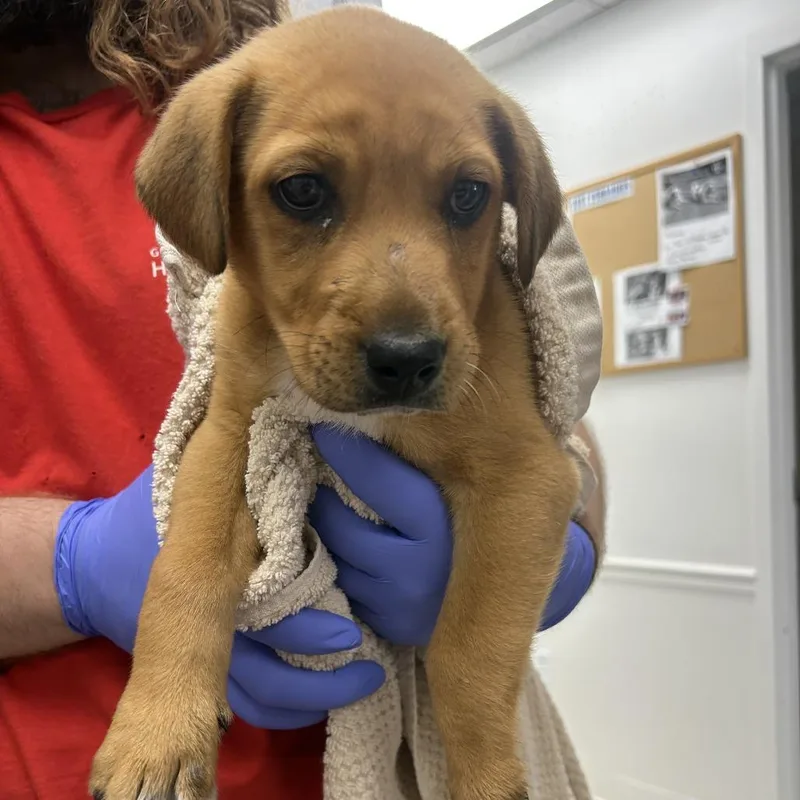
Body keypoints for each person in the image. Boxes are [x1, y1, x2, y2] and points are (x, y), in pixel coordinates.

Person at [0, 1, 606, 798]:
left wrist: (571, 531)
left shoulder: (286, 74)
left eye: (464, 199)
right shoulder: (231, 120)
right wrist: (75, 564)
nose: (405, 326)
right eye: (304, 192)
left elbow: (551, 449)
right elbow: (231, 443)